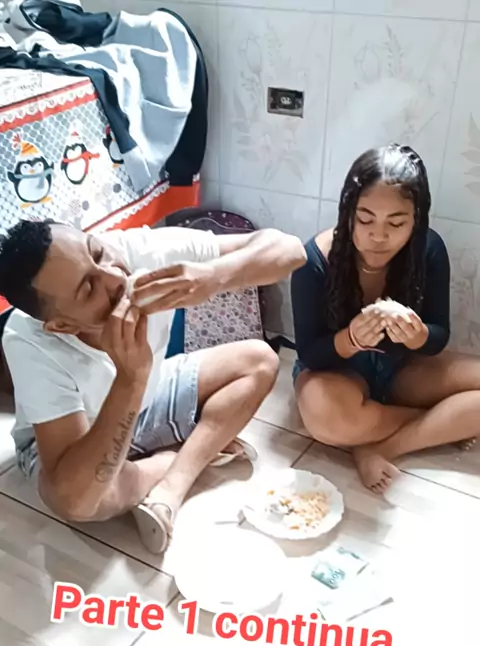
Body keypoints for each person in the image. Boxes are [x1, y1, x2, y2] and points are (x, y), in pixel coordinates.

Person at [0, 219, 306, 552]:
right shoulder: (28, 340)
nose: (115, 277)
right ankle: (177, 456)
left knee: (259, 361)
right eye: (89, 289)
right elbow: (72, 497)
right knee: (83, 502)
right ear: (62, 325)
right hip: (78, 436)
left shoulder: (141, 251)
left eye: (98, 252)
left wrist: (214, 276)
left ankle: (172, 485)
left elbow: (290, 249)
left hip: (148, 395)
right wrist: (131, 378)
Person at [291, 143, 480, 494]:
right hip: (337, 373)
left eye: (396, 223)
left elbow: (439, 335)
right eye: (365, 219)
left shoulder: (429, 250)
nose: (378, 236)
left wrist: (418, 335)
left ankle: (380, 446)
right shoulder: (313, 261)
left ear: (416, 220)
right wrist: (351, 339)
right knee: (326, 419)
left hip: (402, 366)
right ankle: (443, 422)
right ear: (348, 213)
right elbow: (310, 353)